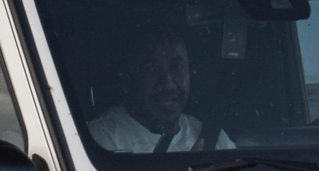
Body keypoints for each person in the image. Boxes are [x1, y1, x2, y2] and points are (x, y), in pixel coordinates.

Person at [88, 25, 231, 154]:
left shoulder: (211, 137)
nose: (167, 83)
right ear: (128, 79)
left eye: (177, 67)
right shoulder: (103, 138)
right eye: (150, 69)